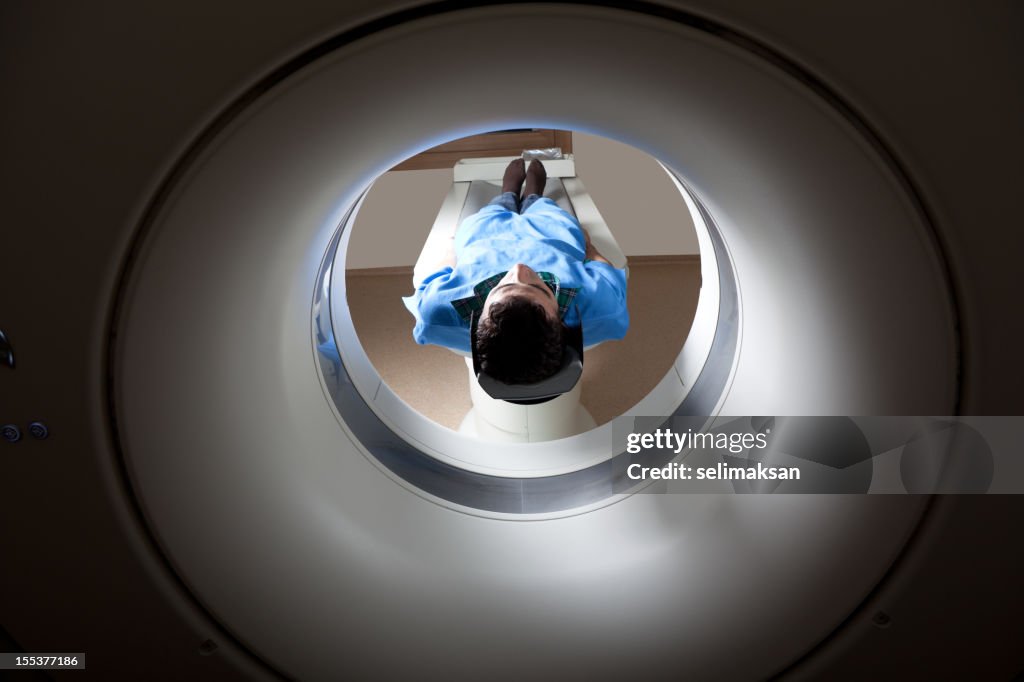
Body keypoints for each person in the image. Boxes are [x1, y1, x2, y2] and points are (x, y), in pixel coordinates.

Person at [403, 158, 629, 385]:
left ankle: (508, 192)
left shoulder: (435, 311)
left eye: (504, 285)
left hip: (487, 236)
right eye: (540, 287)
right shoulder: (604, 307)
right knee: (543, 208)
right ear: (561, 322)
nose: (519, 268)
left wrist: (451, 248)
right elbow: (603, 269)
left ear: (477, 322)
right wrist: (589, 246)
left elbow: (439, 272)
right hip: (550, 233)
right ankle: (534, 195)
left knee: (494, 210)